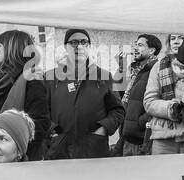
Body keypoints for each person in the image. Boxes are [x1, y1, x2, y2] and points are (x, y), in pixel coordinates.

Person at [44, 29, 124, 160]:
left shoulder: (103, 76)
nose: (79, 46)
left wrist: (103, 129)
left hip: (93, 149)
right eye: (73, 42)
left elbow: (117, 111)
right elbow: (40, 112)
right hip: (59, 150)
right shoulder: (50, 78)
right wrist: (53, 132)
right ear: (65, 47)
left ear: (89, 47)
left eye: (84, 42)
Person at [0, 30, 49, 161]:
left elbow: (41, 123)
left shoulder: (32, 80)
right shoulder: (1, 80)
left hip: (19, 159)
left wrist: (15, 144)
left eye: (0, 45)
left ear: (12, 48)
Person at [142, 34, 184, 155]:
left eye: (181, 38)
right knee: (163, 173)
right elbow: (149, 101)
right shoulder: (159, 66)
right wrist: (170, 108)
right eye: (173, 38)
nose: (176, 42)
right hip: (163, 138)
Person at [119, 34, 161, 156]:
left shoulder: (156, 69)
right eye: (135, 45)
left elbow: (158, 100)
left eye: (140, 45)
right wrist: (121, 69)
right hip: (127, 136)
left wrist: (139, 122)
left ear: (152, 50)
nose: (135, 48)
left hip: (143, 138)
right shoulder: (135, 70)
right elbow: (121, 97)